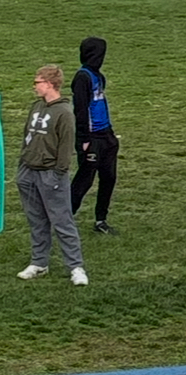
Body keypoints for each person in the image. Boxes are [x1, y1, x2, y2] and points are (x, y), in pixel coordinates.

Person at [16, 66, 88, 285]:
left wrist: (58, 174)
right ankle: (39, 262)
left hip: (50, 174)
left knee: (62, 221)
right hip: (29, 171)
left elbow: (66, 147)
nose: (35, 86)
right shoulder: (36, 106)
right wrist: (22, 165)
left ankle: (76, 267)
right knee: (36, 220)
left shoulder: (64, 112)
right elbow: (26, 136)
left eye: (37, 81)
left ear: (49, 83)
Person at [69, 37, 119, 235]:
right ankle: (65, 218)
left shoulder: (99, 76)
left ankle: (101, 220)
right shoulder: (82, 77)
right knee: (84, 180)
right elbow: (80, 110)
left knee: (109, 178)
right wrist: (83, 139)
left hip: (106, 136)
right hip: (92, 137)